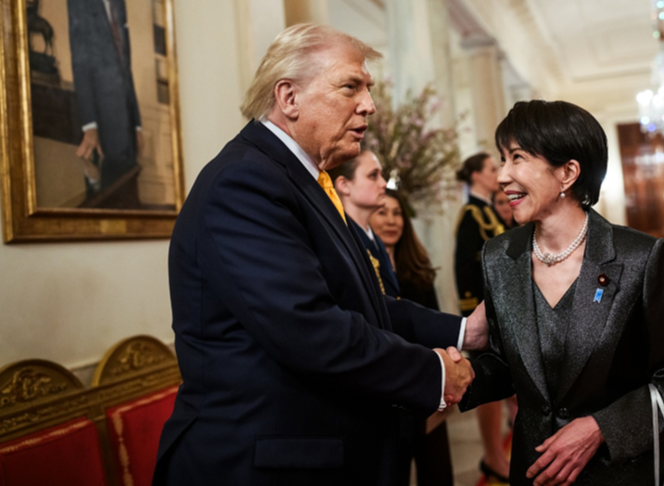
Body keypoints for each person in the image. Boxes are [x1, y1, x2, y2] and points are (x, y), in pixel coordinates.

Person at [153, 24, 488, 486]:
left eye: (367, 89)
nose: (369, 104)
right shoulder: (245, 183)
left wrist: (466, 329)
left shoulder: (301, 180)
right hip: (260, 466)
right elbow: (309, 328)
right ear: (288, 97)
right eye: (351, 86)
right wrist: (432, 372)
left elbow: (362, 305)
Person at [460, 100, 664, 486]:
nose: (502, 175)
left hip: (619, 473)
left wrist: (601, 428)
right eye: (501, 159)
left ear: (568, 172)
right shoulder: (499, 256)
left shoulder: (640, 257)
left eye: (517, 158)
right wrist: (456, 376)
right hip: (534, 472)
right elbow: (506, 364)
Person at [371, 189, 455, 486]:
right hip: (388, 389)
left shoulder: (418, 267)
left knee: (438, 470)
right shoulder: (363, 270)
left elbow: (436, 321)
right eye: (383, 212)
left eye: (397, 214)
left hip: (426, 386)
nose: (392, 221)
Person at [454, 153, 511, 483]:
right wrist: (468, 314)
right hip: (482, 315)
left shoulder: (488, 208)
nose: (498, 174)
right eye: (492, 169)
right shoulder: (471, 213)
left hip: (498, 312)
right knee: (486, 383)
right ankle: (492, 454)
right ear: (476, 175)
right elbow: (465, 268)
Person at [67, 0, 143, 203]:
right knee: (109, 198)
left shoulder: (118, 3)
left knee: (128, 194)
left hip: (127, 121)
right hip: (103, 118)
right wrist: (90, 124)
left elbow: (126, 68)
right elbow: (79, 63)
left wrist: (136, 124)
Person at [328, 150, 400, 297]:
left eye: (381, 175)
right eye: (373, 175)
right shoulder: (341, 240)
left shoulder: (374, 238)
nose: (383, 184)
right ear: (344, 185)